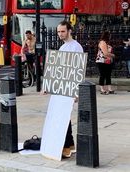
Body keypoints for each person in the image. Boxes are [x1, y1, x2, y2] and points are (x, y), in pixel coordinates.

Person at [57, 20, 84, 158]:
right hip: (62, 87)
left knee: (64, 116)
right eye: (58, 31)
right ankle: (71, 145)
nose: (60, 34)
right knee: (63, 116)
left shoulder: (76, 47)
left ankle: (66, 147)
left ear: (69, 31)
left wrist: (77, 92)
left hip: (71, 88)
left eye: (63, 31)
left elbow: (78, 70)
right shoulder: (62, 48)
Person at [95, 30, 115, 94]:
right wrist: (113, 55)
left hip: (107, 61)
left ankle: (109, 88)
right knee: (103, 74)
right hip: (101, 61)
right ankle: (102, 89)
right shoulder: (102, 42)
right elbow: (105, 53)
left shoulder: (107, 43)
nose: (110, 37)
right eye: (109, 35)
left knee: (108, 75)